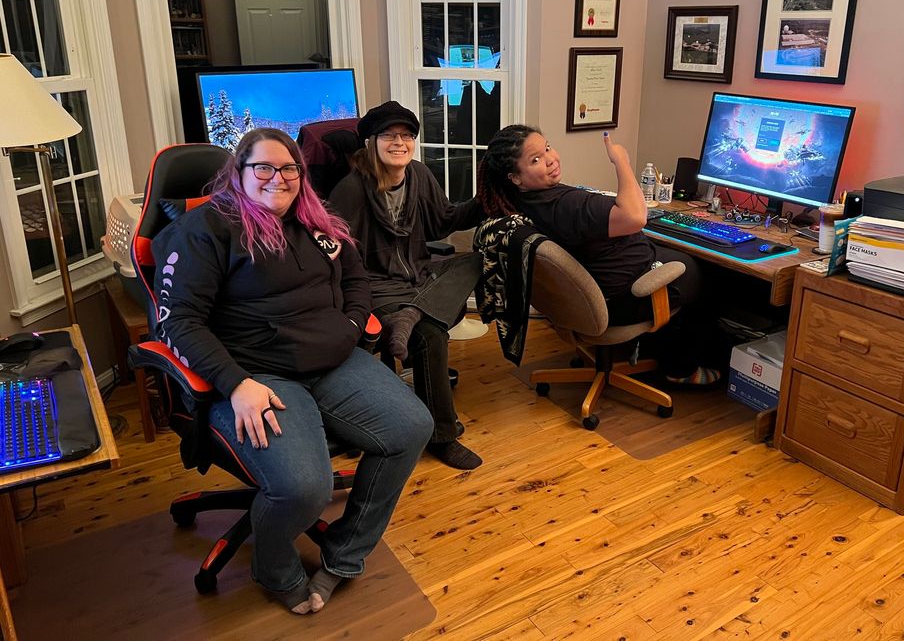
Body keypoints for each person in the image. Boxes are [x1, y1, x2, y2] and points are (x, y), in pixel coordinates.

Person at [152, 128, 433, 614]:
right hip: (257, 377)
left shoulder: (318, 223)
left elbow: (356, 281)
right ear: (237, 173)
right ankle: (273, 565)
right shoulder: (206, 231)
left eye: (289, 169)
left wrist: (348, 328)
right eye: (262, 167)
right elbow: (177, 320)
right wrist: (236, 384)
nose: (277, 179)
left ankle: (345, 555)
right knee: (304, 488)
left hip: (333, 361)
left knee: (411, 427)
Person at [477, 124, 720, 386]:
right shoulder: (565, 206)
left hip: (594, 290)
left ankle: (654, 352)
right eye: (535, 160)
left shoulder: (511, 199)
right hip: (621, 298)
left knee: (677, 255)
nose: (550, 159)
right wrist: (621, 161)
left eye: (547, 148)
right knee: (710, 275)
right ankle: (680, 369)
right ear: (515, 177)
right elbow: (636, 217)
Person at [328, 101, 485, 470]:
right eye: (389, 135)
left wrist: (484, 201)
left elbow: (444, 221)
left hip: (418, 277)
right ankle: (442, 437)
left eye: (407, 136)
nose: (399, 142)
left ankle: (414, 312)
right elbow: (335, 251)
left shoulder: (419, 175)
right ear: (372, 141)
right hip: (376, 286)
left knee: (475, 261)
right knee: (430, 336)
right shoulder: (351, 188)